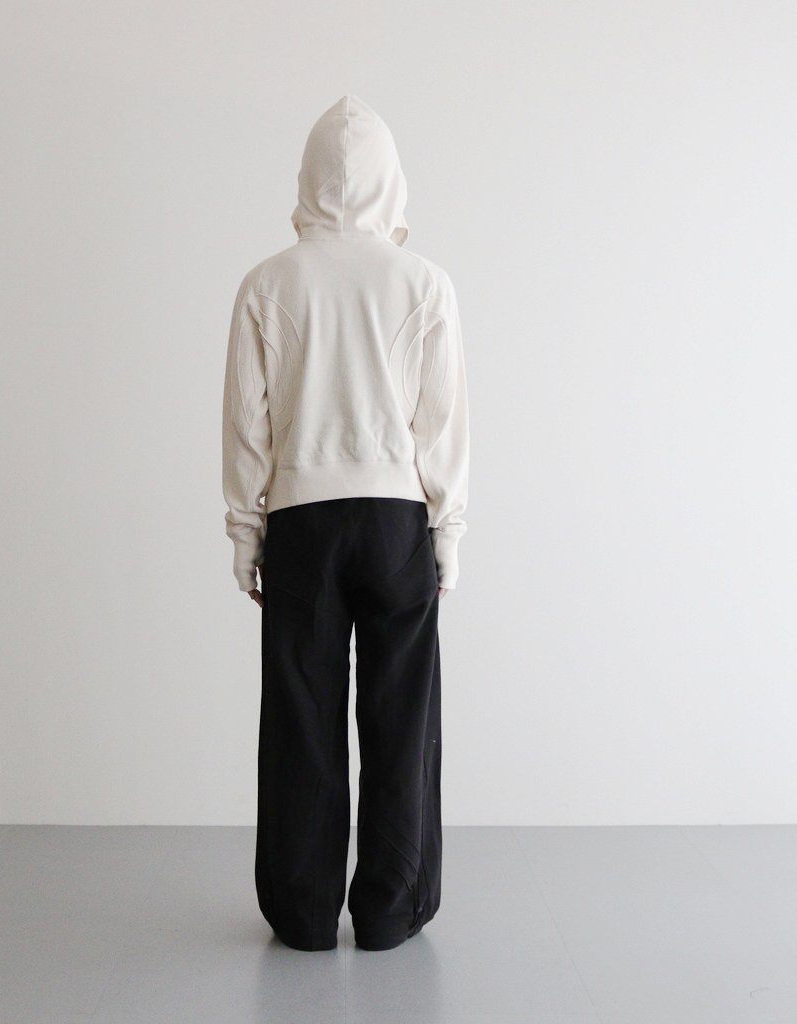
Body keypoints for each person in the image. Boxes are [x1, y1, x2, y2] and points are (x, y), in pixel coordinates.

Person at [221, 95, 469, 952]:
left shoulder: (268, 283)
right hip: (397, 520)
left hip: (302, 520)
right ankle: (392, 910)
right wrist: (448, 534)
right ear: (391, 182)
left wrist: (246, 535)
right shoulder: (424, 283)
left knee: (301, 715)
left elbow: (247, 425)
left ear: (308, 179)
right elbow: (443, 424)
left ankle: (302, 912)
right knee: (403, 718)